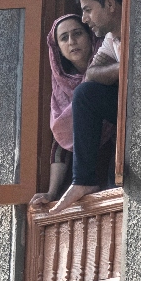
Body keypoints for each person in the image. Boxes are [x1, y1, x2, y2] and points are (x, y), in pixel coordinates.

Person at [50, 0, 124, 214]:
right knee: (85, 93)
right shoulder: (112, 39)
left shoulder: (137, 28)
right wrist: (125, 67)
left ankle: (84, 181)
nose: (85, 18)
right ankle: (82, 180)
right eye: (64, 38)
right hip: (125, 112)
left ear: (110, 5)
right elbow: (92, 74)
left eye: (88, 10)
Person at [29, 14, 113, 207]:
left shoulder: (109, 59)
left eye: (77, 34)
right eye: (64, 38)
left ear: (90, 36)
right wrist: (51, 193)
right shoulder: (61, 86)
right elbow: (63, 141)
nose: (72, 42)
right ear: (57, 48)